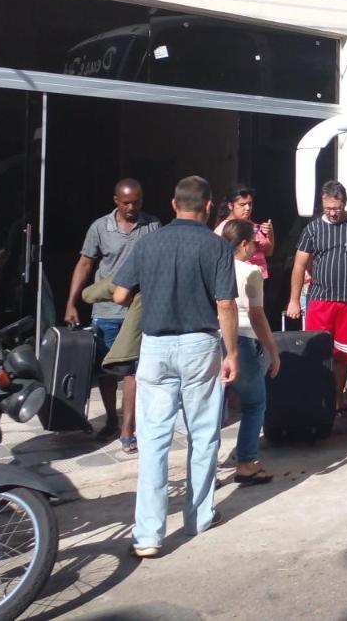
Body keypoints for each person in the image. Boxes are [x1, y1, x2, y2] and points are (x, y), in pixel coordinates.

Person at [111, 176, 238, 560]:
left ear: (172, 203)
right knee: (203, 434)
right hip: (200, 344)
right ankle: (199, 517)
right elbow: (226, 305)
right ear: (209, 206)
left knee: (153, 441)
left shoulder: (147, 241)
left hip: (156, 346)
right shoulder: (217, 246)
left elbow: (119, 294)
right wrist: (231, 352)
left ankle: (148, 535)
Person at [65, 179, 160, 452]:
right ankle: (111, 419)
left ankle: (128, 428)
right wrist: (72, 302)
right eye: (126, 202)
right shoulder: (99, 227)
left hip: (137, 310)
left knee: (133, 371)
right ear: (116, 201)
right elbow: (85, 264)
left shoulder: (152, 225)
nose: (132, 207)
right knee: (107, 370)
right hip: (106, 311)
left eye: (137, 202)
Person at [285, 180, 347, 413]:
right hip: (321, 300)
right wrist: (294, 300)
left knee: (345, 354)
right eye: (328, 209)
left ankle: (336, 397)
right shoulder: (312, 229)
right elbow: (299, 265)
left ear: (345, 203)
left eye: (337, 208)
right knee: (318, 351)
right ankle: (317, 397)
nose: (332, 213)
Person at [219, 219, 281, 484]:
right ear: (244, 244)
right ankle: (246, 462)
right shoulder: (250, 272)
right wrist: (273, 350)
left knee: (209, 411)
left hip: (212, 341)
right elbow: (256, 315)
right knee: (255, 403)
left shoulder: (211, 267)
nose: (256, 246)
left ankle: (204, 471)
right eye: (254, 242)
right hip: (242, 341)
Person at [215, 186, 274, 280]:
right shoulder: (223, 228)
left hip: (259, 277)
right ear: (230, 206)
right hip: (238, 279)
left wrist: (270, 233)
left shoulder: (254, 226)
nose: (247, 208)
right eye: (242, 204)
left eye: (250, 204)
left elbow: (268, 253)